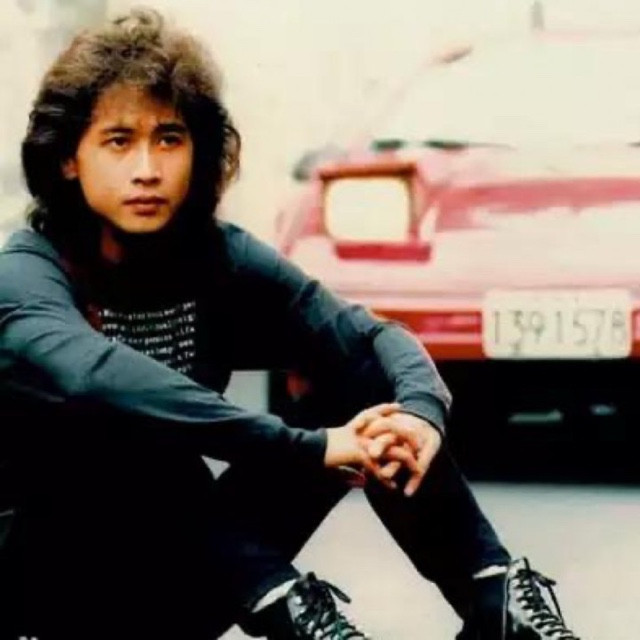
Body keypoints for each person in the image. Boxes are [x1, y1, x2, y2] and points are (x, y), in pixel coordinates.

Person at [0, 8, 580, 640]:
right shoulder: (26, 275)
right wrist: (315, 448)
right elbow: (93, 375)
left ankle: (493, 599)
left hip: (184, 580)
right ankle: (290, 608)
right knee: (134, 425)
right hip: (51, 594)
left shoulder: (216, 256)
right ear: (68, 159)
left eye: (168, 139)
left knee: (365, 381)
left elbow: (371, 337)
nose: (147, 168)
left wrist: (418, 414)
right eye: (119, 141)